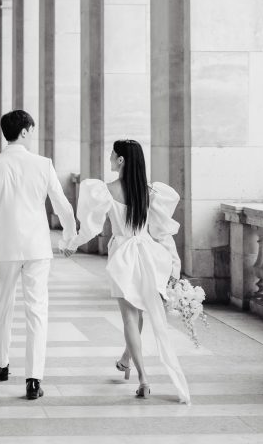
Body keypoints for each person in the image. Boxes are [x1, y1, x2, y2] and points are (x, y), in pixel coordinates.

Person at [64, 138, 190, 404]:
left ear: (121, 160)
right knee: (138, 313)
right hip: (148, 254)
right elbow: (163, 233)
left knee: (130, 318)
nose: (110, 158)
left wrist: (72, 243)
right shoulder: (151, 192)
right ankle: (126, 358)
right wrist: (174, 265)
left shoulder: (106, 190)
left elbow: (92, 227)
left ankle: (143, 378)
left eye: (112, 154)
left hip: (123, 255)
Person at [0, 109, 77, 401]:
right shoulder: (43, 164)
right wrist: (69, 237)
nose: (32, 135)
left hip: (4, 247)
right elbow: (62, 205)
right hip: (37, 248)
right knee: (37, 311)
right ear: (24, 132)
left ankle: (3, 364)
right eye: (31, 130)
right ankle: (33, 379)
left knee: (3, 306)